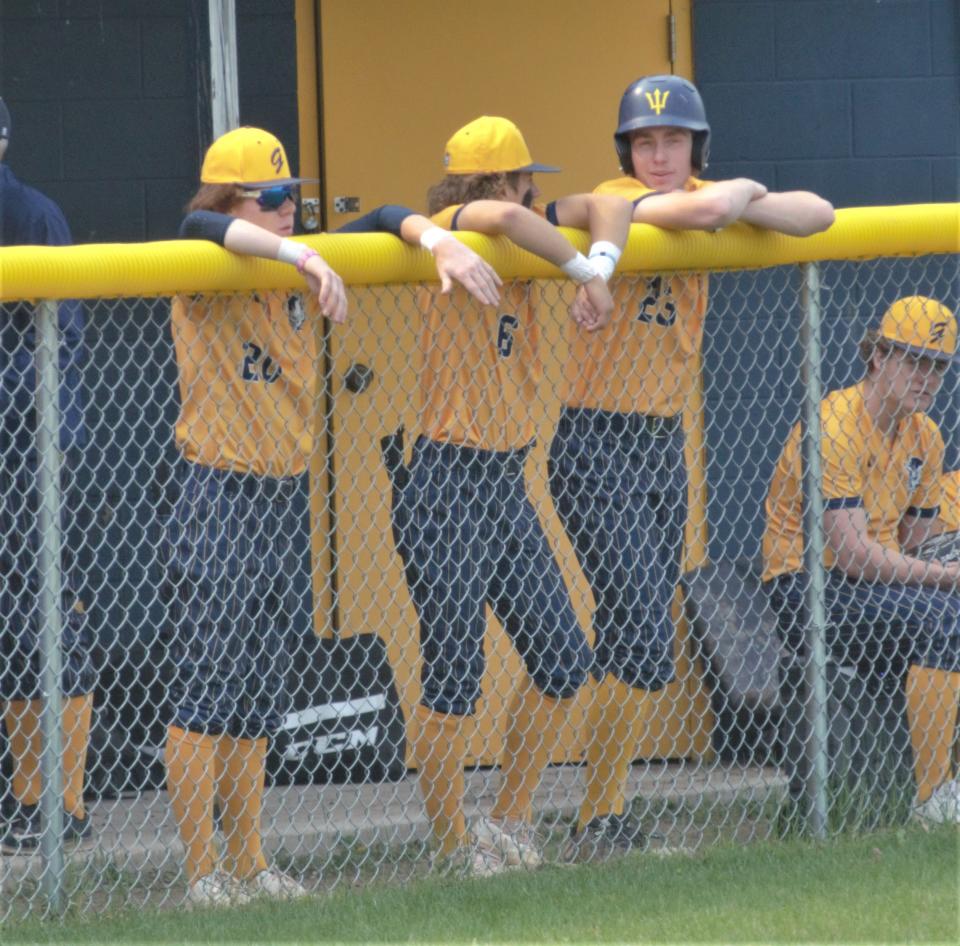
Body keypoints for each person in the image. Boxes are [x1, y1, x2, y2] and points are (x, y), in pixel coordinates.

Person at [163, 125, 502, 907]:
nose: (289, 212)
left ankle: (247, 863)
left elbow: (385, 214)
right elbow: (196, 228)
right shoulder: (207, 258)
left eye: (293, 198)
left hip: (284, 493)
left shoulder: (290, 250)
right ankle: (200, 870)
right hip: (220, 490)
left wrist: (437, 243)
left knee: (256, 696)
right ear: (235, 200)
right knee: (208, 692)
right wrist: (305, 255)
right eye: (273, 198)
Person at [544, 75, 835, 862]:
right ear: (626, 152)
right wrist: (740, 193)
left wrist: (738, 197)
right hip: (594, 441)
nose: (659, 154)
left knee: (637, 633)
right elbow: (706, 212)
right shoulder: (615, 197)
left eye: (674, 142)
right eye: (646, 141)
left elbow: (821, 216)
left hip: (662, 446)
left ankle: (601, 814)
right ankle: (591, 817)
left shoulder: (706, 194)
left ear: (695, 147)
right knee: (637, 624)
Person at [385, 115, 632, 877]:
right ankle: (452, 843)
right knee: (456, 672)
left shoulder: (528, 232)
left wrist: (600, 257)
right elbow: (503, 216)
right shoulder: (463, 223)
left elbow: (610, 204)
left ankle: (509, 819)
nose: (536, 191)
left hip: (505, 479)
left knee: (563, 658)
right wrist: (585, 277)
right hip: (443, 479)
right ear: (499, 182)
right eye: (526, 177)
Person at [763, 295, 960, 826]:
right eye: (914, 360)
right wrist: (947, 577)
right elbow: (851, 554)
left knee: (945, 607)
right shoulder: (835, 425)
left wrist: (945, 559)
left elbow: (915, 539)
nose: (928, 377)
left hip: (878, 586)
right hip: (809, 585)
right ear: (878, 358)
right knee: (947, 617)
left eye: (938, 366)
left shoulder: (926, 435)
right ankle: (932, 796)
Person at [0, 98, 95, 855]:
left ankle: (56, 803)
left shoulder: (31, 214)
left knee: (42, 621)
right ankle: (32, 800)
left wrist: (52, 447)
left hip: (28, 451)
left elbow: (60, 347)